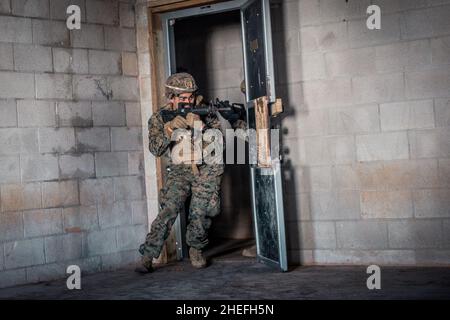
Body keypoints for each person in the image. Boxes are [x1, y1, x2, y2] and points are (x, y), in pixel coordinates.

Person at [135, 72, 228, 273]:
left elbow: (220, 145)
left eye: (191, 97)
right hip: (179, 168)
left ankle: (196, 249)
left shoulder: (205, 112)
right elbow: (155, 149)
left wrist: (202, 128)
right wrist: (169, 130)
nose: (188, 101)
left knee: (201, 212)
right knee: (168, 209)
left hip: (205, 167)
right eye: (183, 98)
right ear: (171, 98)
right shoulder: (160, 118)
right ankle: (149, 254)